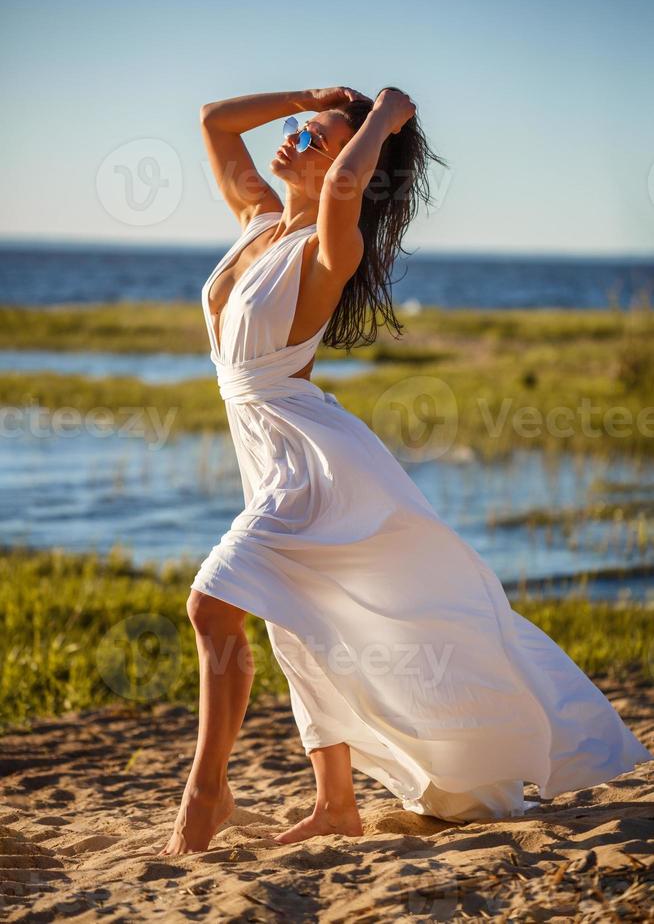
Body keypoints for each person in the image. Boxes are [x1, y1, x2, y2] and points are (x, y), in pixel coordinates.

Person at [159, 86, 652, 855]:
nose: (293, 140)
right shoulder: (256, 221)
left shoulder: (332, 248)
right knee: (302, 628)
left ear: (349, 169)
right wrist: (314, 98)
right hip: (263, 451)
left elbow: (349, 185)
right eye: (297, 132)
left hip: (309, 460)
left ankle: (207, 793)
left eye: (316, 141)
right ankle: (335, 806)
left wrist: (386, 116)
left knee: (210, 608)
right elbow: (214, 122)